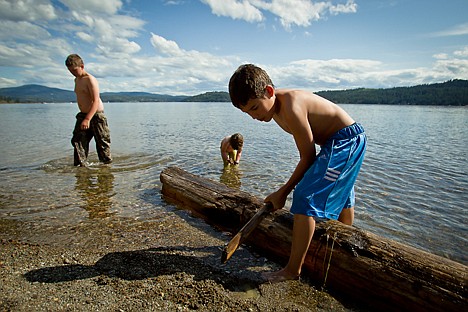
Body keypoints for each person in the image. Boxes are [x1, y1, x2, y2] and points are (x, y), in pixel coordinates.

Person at [228, 64, 367, 282]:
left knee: (304, 196)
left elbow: (308, 156)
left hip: (346, 141)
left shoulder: (292, 106)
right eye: (247, 113)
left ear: (269, 91)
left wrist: (283, 192)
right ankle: (342, 241)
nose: (253, 117)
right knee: (339, 188)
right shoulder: (274, 110)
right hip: (338, 142)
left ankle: (293, 270)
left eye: (254, 108)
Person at [65, 54, 112, 166]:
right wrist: (84, 117)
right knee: (77, 142)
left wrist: (87, 119)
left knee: (102, 143)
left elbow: (95, 101)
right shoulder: (76, 80)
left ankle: (106, 168)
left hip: (96, 115)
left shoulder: (90, 79)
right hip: (83, 115)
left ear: (82, 66)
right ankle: (80, 167)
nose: (73, 73)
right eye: (70, 71)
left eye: (75, 70)